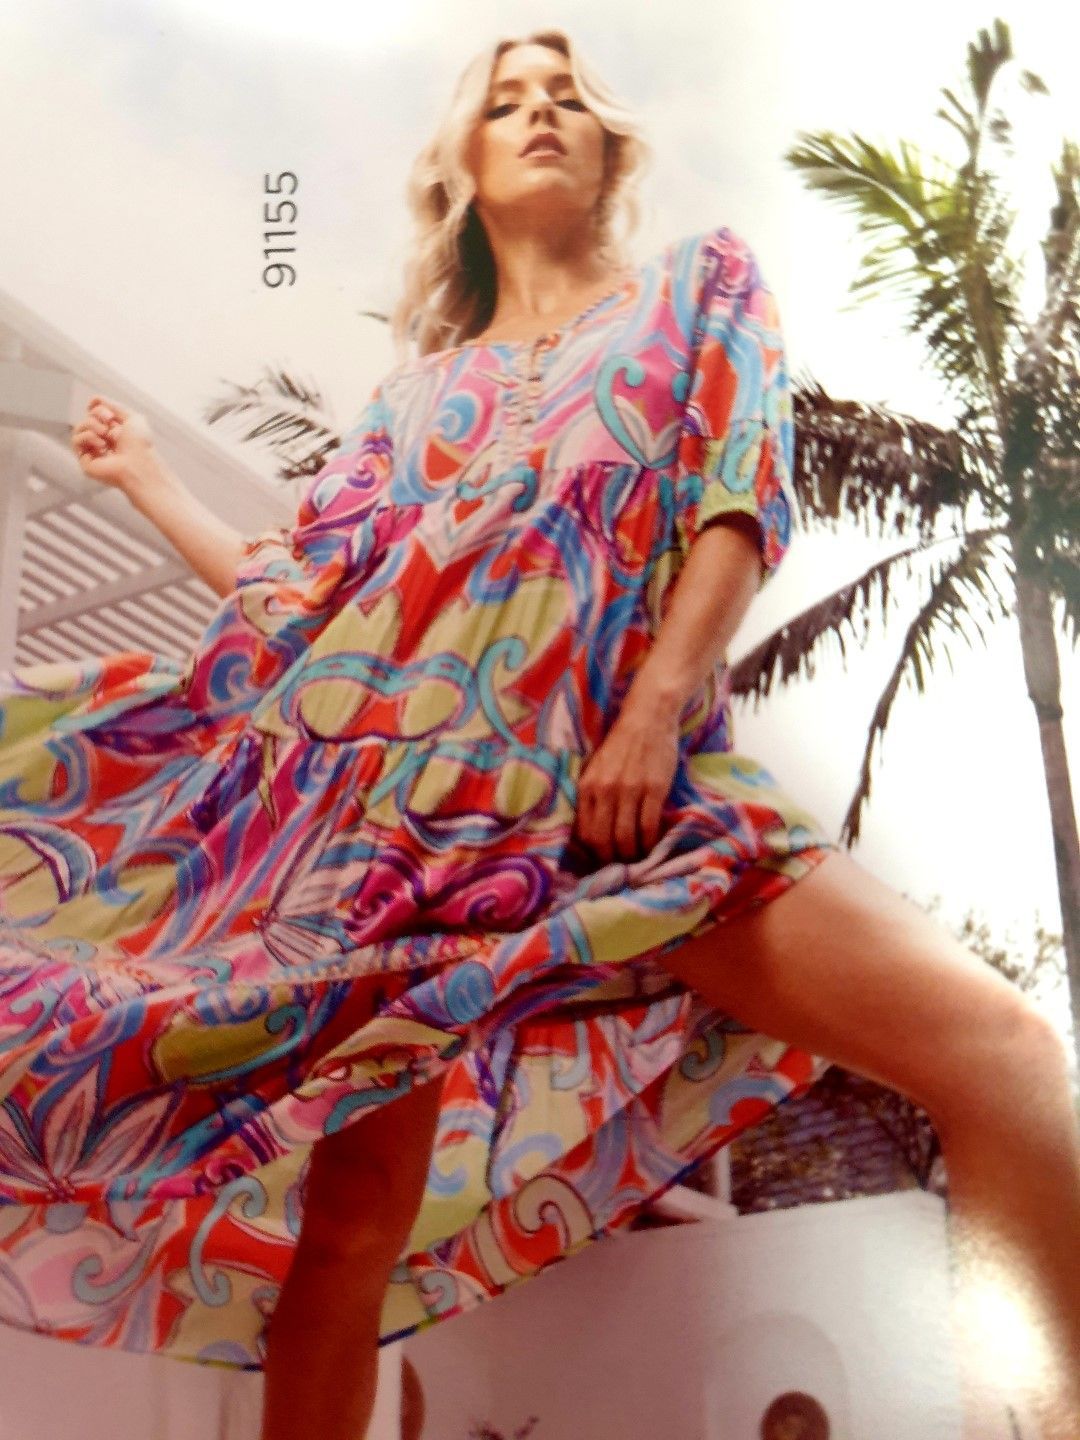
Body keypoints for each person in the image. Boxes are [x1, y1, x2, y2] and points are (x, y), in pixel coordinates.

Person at [3, 24, 1076, 1440]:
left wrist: (647, 713)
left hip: (629, 809)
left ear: (610, 141)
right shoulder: (407, 409)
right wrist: (147, 481)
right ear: (460, 170)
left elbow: (737, 498)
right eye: (506, 100)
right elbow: (297, 609)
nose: (541, 112)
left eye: (567, 94)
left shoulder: (699, 289)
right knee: (349, 1231)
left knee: (1002, 1054)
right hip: (406, 844)